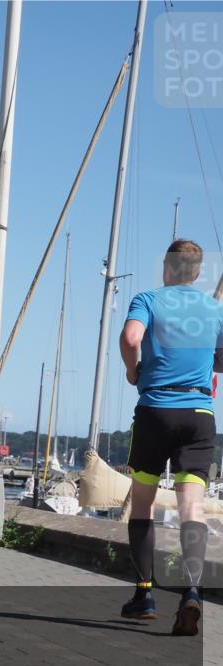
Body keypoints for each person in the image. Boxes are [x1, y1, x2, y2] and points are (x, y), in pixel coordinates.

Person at [118, 239, 222, 636]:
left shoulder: (148, 298)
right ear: (196, 273)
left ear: (166, 266)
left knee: (142, 504)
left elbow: (131, 339)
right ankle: (192, 592)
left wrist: (133, 372)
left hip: (155, 411)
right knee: (191, 509)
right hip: (198, 414)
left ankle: (144, 594)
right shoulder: (214, 309)